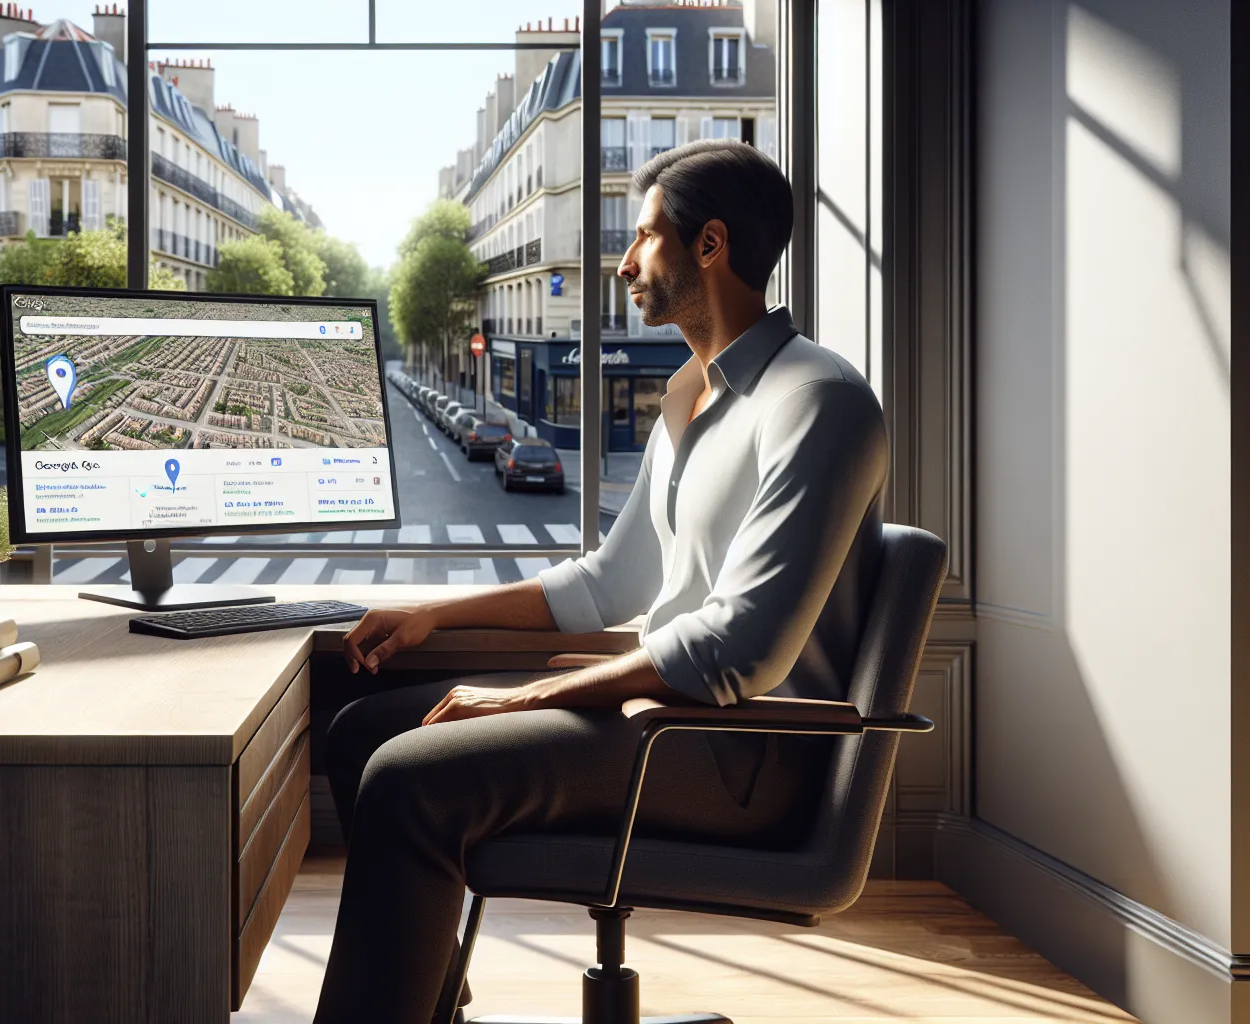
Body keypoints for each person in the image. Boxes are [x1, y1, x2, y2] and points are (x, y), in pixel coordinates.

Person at [314, 140, 889, 1024]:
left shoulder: (817, 400)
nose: (623, 264)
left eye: (645, 237)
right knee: (361, 733)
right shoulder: (691, 395)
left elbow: (735, 652)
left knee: (406, 778)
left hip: (737, 755)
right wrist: (431, 613)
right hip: (662, 725)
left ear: (711, 247)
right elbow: (607, 584)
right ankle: (427, 1011)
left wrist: (522, 700)